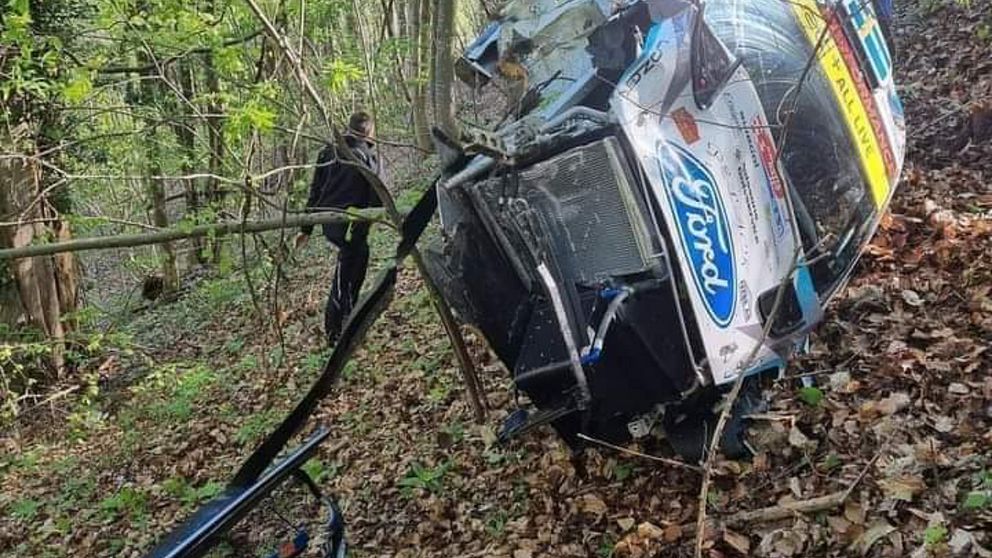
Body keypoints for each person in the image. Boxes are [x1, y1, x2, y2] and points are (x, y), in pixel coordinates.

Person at [295, 111, 383, 345]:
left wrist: (307, 228)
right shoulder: (364, 154)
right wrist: (378, 215)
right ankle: (337, 332)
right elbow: (378, 191)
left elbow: (315, 191)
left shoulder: (328, 151)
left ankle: (347, 322)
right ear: (368, 131)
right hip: (351, 225)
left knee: (356, 264)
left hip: (333, 224)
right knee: (346, 275)